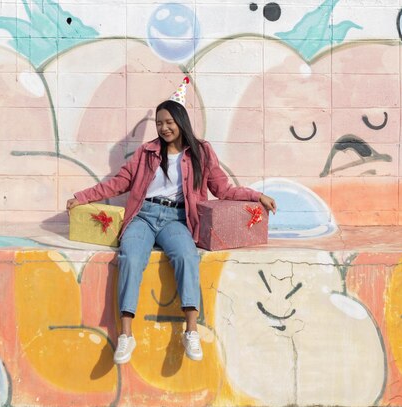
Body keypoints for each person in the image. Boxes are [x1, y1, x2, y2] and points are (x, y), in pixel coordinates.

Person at [66, 77, 276, 365]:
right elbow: (119, 183)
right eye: (159, 123)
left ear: (180, 121)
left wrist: (256, 196)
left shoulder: (201, 152)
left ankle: (191, 331)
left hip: (177, 218)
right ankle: (126, 335)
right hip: (143, 216)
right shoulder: (147, 153)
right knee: (130, 258)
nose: (164, 128)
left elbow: (223, 189)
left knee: (186, 255)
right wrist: (83, 196)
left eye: (169, 122)